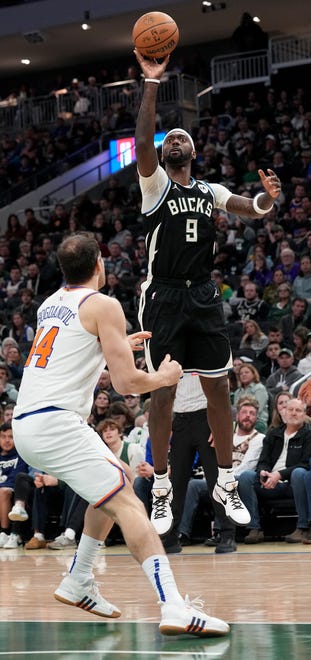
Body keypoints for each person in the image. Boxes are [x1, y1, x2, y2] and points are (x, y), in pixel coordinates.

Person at [12, 233, 228, 637]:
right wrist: (165, 377)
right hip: (56, 423)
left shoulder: (50, 304)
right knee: (130, 506)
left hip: (28, 422)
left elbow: (65, 356)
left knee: (117, 484)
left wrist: (109, 346)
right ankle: (175, 607)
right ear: (100, 265)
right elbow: (128, 384)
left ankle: (78, 580)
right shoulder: (104, 305)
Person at [133, 47, 281, 537]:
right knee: (165, 391)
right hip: (163, 297)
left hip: (202, 295)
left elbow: (248, 206)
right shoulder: (155, 186)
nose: (172, 140)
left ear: (192, 152)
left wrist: (267, 199)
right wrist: (152, 84)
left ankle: (224, 481)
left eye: (180, 137)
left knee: (219, 386)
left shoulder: (208, 190)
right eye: (168, 137)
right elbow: (142, 143)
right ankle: (159, 487)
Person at [237, 398, 311, 544]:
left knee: (299, 473)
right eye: (290, 410)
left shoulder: (308, 435)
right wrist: (264, 474)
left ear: (304, 415)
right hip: (272, 483)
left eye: (298, 410)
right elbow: (263, 461)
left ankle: (303, 528)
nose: (294, 413)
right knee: (246, 477)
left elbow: (305, 464)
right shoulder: (272, 435)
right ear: (283, 412)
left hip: (293, 484)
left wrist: (280, 474)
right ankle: (254, 528)